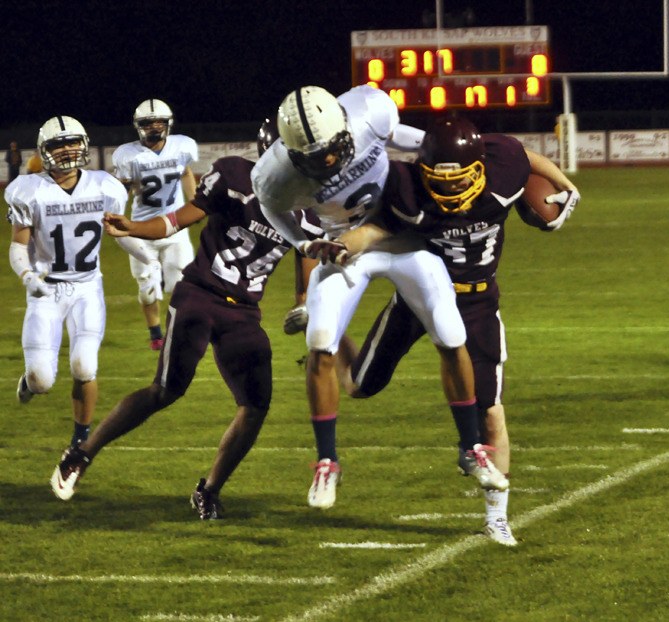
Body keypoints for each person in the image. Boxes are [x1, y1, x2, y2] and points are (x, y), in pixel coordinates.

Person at [252, 85, 507, 510]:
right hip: (343, 247)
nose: (329, 162)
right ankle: (327, 461)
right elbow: (271, 206)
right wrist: (302, 243)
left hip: (401, 236)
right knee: (320, 338)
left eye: (332, 150)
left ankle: (470, 448)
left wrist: (437, 157)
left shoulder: (370, 110)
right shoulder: (273, 175)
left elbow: (415, 142)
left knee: (450, 330)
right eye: (315, 160)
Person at [49, 121, 322, 518]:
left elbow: (306, 284)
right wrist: (135, 227)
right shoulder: (233, 175)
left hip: (244, 312)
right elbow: (177, 220)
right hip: (199, 294)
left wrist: (308, 311)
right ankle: (83, 452)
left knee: (256, 404)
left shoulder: (309, 213)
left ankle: (208, 490)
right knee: (166, 390)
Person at [335, 116, 580, 545]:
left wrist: (567, 185)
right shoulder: (407, 187)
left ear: (480, 168)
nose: (449, 189)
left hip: (476, 303)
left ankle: (497, 517)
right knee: (357, 387)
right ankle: (330, 340)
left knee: (491, 411)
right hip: (419, 297)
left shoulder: (502, 168)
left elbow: (526, 157)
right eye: (439, 180)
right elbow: (376, 229)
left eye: (459, 179)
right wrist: (344, 245)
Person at [6, 116, 158, 449]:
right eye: (59, 144)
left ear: (84, 144)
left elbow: (121, 234)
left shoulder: (104, 186)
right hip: (46, 289)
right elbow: (18, 247)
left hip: (87, 288)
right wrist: (28, 275)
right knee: (42, 380)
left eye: (73, 142)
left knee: (84, 366)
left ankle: (80, 441)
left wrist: (151, 260)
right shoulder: (29, 190)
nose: (67, 150)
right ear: (45, 151)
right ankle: (30, 384)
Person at [112, 98, 199, 351]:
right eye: (148, 123)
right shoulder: (129, 155)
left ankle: (180, 330)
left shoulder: (181, 147)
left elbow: (185, 172)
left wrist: (193, 205)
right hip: (142, 230)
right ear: (139, 126)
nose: (154, 127)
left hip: (174, 227)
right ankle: (156, 334)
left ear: (168, 123)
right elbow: (124, 192)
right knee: (147, 287)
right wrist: (117, 217)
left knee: (182, 285)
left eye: (159, 122)